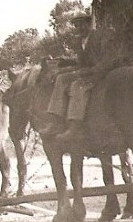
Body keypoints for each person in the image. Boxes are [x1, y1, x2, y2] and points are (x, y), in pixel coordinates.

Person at [42, 12, 108, 145]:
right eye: (77, 26)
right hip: (85, 72)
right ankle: (55, 121)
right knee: (61, 79)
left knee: (77, 86)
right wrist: (62, 67)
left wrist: (90, 70)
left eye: (82, 25)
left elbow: (106, 59)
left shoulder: (99, 37)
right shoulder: (80, 41)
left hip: (98, 74)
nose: (79, 29)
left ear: (89, 24)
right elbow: (79, 63)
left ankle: (74, 127)